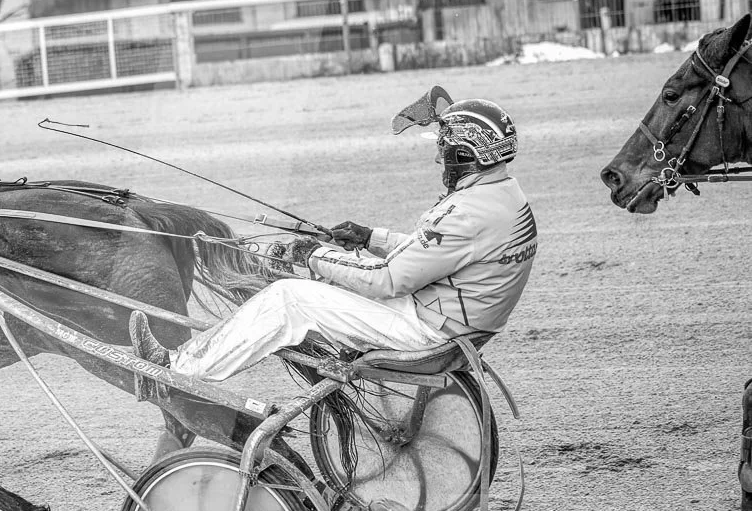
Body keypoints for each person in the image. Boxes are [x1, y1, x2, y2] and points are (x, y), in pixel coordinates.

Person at [130, 90, 537, 406]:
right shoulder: (500, 196)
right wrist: (369, 237)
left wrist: (313, 255)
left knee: (288, 298)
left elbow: (387, 280)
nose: (437, 158)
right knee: (328, 288)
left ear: (464, 154)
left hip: (428, 334)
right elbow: (430, 254)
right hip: (454, 324)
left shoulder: (466, 213)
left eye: (442, 148)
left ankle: (175, 371)